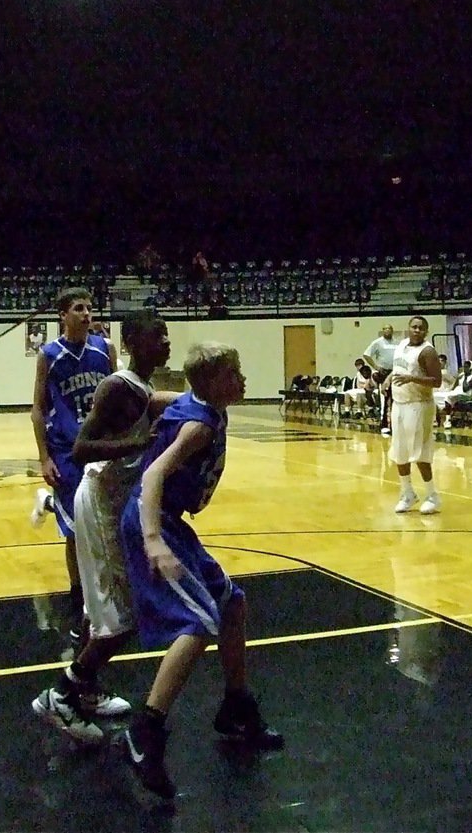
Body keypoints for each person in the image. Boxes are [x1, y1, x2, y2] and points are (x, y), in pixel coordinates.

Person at [120, 342, 283, 801]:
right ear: (212, 383)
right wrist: (153, 541)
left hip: (170, 521)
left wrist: (140, 401)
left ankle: (236, 707)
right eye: (234, 373)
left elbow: (156, 400)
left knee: (232, 602)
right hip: (154, 522)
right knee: (199, 622)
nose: (243, 379)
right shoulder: (199, 425)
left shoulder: (191, 403)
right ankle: (145, 730)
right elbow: (153, 477)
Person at [32, 312, 173, 744]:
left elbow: (161, 403)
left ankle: (87, 690)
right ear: (132, 341)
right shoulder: (117, 386)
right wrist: (138, 444)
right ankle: (62, 695)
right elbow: (80, 448)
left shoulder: (142, 388)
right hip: (99, 499)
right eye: (158, 336)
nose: (166, 342)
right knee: (121, 613)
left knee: (105, 611)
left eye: (167, 334)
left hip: (116, 501)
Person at [29, 287, 118, 649]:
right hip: (66, 449)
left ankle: (109, 588)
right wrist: (43, 458)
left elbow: (121, 395)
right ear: (62, 316)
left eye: (89, 308)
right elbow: (37, 409)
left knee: (104, 519)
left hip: (104, 445)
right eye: (78, 308)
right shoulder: (48, 355)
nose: (86, 313)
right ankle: (78, 597)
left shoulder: (105, 350)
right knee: (76, 531)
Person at [386, 316, 443, 515]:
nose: (417, 330)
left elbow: (437, 381)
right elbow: (398, 369)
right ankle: (408, 493)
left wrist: (412, 378)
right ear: (408, 329)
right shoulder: (401, 345)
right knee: (399, 452)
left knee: (419, 453)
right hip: (399, 403)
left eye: (421, 328)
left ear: (426, 332)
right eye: (414, 327)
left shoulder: (428, 351)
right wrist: (388, 378)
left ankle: (432, 496)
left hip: (419, 405)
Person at [363, 323, 398, 434]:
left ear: (392, 330)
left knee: (395, 398)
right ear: (383, 331)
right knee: (384, 399)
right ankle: (383, 423)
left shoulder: (397, 343)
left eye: (389, 328)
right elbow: (366, 355)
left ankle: (394, 424)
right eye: (385, 329)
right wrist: (376, 367)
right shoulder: (377, 343)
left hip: (394, 372)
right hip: (383, 372)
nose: (387, 330)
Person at [442, 359, 472, 429]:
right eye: (464, 367)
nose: (465, 369)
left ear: (470, 368)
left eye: (466, 367)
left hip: (467, 394)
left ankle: (451, 417)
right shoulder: (461, 375)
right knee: (447, 397)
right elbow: (455, 386)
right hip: (458, 392)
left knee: (452, 397)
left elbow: (465, 389)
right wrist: (457, 378)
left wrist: (465, 378)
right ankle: (447, 419)